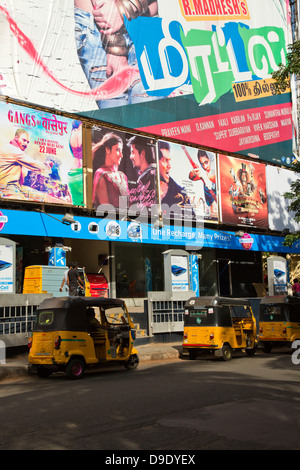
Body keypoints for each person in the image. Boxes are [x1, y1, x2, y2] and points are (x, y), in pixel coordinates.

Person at [74, 0, 159, 109]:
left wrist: (126, 7)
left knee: (151, 121)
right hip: (101, 28)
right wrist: (114, 42)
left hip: (146, 25)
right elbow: (105, 9)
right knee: (117, 121)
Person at [0, 128, 50, 197]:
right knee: (24, 202)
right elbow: (33, 164)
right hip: (6, 187)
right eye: (24, 140)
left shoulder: (11, 149)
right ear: (16, 138)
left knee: (42, 196)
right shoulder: (14, 151)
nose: (26, 144)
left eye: (27, 142)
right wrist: (47, 165)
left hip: (16, 186)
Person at [158, 141, 194, 220]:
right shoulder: (140, 186)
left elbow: (193, 223)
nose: (169, 166)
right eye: (164, 160)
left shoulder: (180, 195)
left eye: (169, 160)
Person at [92, 132, 129, 208]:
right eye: (118, 150)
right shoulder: (101, 173)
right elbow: (105, 209)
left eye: (121, 151)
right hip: (108, 219)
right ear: (108, 149)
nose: (121, 155)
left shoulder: (123, 176)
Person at [127, 135, 156, 209]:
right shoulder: (146, 175)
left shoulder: (152, 175)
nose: (131, 156)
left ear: (142, 153)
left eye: (133, 152)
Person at [188, 149, 217, 217]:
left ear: (211, 160)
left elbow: (215, 179)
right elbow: (191, 177)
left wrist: (205, 175)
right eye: (202, 164)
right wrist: (193, 172)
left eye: (206, 162)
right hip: (211, 214)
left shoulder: (217, 171)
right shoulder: (204, 173)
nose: (205, 166)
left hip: (221, 215)